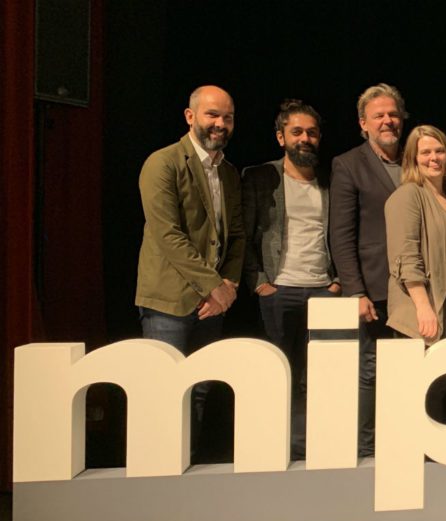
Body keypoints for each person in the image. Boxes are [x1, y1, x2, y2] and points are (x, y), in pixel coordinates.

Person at [135, 85, 244, 460]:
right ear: (190, 116)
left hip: (213, 302)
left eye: (228, 117)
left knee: (199, 390)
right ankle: (157, 472)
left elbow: (237, 235)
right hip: (169, 301)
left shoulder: (228, 172)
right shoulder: (163, 163)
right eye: (212, 115)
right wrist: (215, 287)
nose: (220, 124)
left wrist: (229, 284)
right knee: (164, 391)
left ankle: (186, 467)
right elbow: (168, 235)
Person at [241, 99, 340, 460]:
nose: (305, 138)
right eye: (296, 132)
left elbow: (345, 233)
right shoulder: (259, 177)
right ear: (281, 137)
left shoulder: (332, 180)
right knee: (279, 372)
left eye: (311, 132)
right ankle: (276, 449)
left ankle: (315, 448)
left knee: (321, 375)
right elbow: (244, 234)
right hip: (278, 289)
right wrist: (259, 282)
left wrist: (337, 281)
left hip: (323, 289)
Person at [385, 125, 446, 419]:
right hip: (426, 309)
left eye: (439, 150)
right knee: (421, 390)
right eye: (425, 152)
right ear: (413, 159)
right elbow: (405, 256)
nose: (434, 158)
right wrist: (423, 307)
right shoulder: (408, 195)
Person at [329, 83, 407, 457]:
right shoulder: (348, 164)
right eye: (379, 116)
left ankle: (403, 443)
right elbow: (341, 235)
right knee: (372, 369)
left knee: (410, 369)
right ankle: (367, 447)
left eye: (393, 114)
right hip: (375, 287)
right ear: (363, 123)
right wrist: (355, 291)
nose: (387, 121)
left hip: (415, 287)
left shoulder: (417, 158)